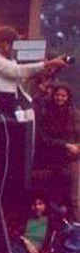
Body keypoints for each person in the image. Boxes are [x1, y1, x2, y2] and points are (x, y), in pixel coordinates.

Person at [35, 84, 80, 219]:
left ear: (68, 97)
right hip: (53, 159)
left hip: (72, 159)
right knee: (54, 197)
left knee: (73, 198)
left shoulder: (74, 114)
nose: (60, 98)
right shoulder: (46, 114)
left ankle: (75, 230)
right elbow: (45, 138)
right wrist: (65, 145)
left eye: (63, 96)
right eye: (57, 95)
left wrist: (76, 148)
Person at [0, 26, 68, 98]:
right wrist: (48, 63)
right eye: (12, 44)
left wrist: (45, 69)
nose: (14, 48)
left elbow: (22, 78)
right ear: (3, 43)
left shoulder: (11, 61)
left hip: (14, 100)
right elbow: (17, 70)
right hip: (0, 100)